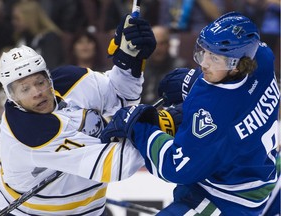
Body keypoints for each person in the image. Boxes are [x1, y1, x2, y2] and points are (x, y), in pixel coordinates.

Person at [100, 12, 280, 215]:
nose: (204, 63)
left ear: (237, 65)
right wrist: (193, 81)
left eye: (215, 58)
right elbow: (243, 96)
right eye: (204, 52)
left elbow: (175, 167)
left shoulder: (212, 108)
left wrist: (139, 128)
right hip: (261, 173)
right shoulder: (262, 58)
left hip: (227, 199)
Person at [0, 14, 156, 216]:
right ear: (12, 98)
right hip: (25, 212)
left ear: (49, 78)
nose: (37, 92)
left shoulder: (71, 81)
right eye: (24, 89)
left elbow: (121, 95)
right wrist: (160, 129)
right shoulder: (27, 132)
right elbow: (116, 165)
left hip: (87, 207)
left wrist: (129, 60)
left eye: (39, 82)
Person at [11, 0, 64, 70]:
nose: (13, 22)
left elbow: (51, 67)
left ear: (29, 18)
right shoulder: (21, 38)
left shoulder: (50, 39)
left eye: (17, 19)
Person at [141, 25, 187, 105]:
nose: (158, 48)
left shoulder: (180, 69)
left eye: (162, 43)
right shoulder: (140, 66)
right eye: (154, 44)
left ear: (169, 44)